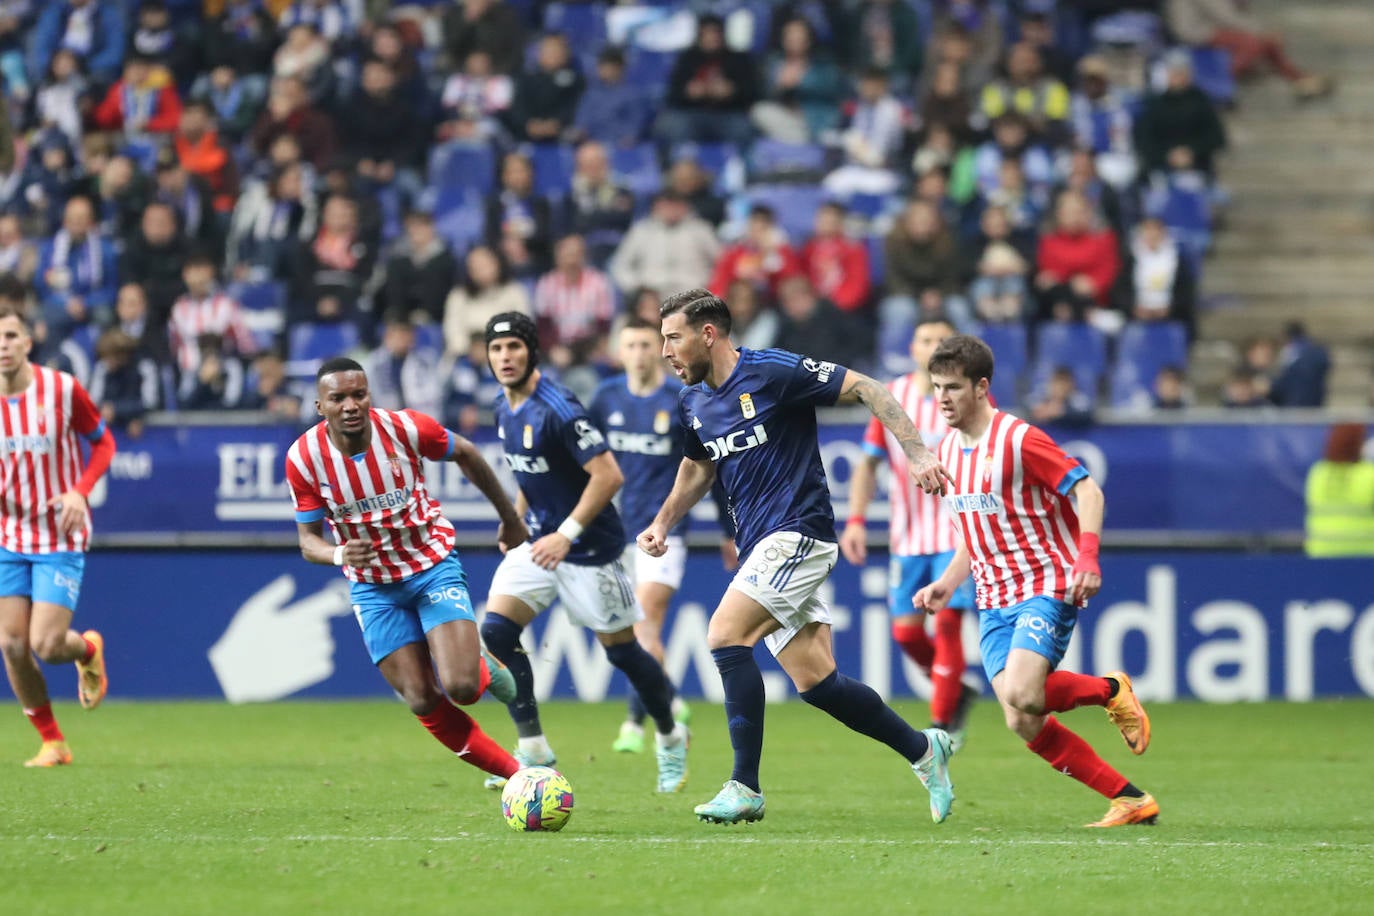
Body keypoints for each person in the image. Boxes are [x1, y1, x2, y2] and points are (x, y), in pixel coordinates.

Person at [640, 288, 956, 825]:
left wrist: (920, 452)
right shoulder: (692, 401)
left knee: (724, 635)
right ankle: (925, 751)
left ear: (708, 334)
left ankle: (745, 786)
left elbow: (870, 388)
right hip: (758, 545)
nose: (664, 350)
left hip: (799, 534)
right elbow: (697, 468)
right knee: (817, 683)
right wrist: (663, 522)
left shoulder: (772, 372)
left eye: (673, 338)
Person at [914, 334, 1157, 828]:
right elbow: (973, 529)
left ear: (982, 388)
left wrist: (1087, 556)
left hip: (1044, 582)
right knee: (1022, 718)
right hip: (991, 596)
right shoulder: (947, 452)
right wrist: (946, 581)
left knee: (1025, 693)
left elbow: (1089, 491)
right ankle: (1130, 800)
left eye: (954, 387)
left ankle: (1110, 690)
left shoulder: (1018, 439)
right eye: (937, 386)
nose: (943, 398)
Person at [284, 357, 527, 785]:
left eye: (358, 394)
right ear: (320, 406)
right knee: (419, 698)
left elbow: (467, 452)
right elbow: (308, 542)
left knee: (463, 688)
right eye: (337, 398)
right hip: (373, 588)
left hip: (430, 566)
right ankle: (519, 775)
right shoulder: (303, 459)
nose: (350, 405)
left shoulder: (405, 428)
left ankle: (480, 663)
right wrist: (339, 555)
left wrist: (508, 517)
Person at [478, 313, 690, 794]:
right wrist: (515, 520)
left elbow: (609, 476)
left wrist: (568, 534)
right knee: (495, 632)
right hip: (539, 543)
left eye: (514, 347)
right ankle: (533, 749)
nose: (505, 357)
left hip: (590, 548)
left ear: (531, 351)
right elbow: (529, 472)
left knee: (623, 653)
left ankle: (671, 734)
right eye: (496, 349)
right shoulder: (502, 405)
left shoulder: (559, 407)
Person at [840, 318, 979, 750]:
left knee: (950, 625)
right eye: (925, 339)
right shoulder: (893, 395)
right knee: (905, 633)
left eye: (942, 339)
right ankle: (956, 688)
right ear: (912, 348)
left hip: (956, 532)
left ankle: (942, 726)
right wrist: (856, 520)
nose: (933, 346)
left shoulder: (963, 398)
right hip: (908, 536)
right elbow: (868, 463)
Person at [0, 304, 115, 767]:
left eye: (10, 336)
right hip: (9, 534)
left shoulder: (62, 390)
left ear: (28, 343)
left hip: (58, 533)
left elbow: (103, 442)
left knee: (47, 646)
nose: (2, 346)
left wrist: (79, 492)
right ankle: (53, 741)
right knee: (10, 643)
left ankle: (87, 650)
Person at [587, 318, 702, 753]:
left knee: (644, 629)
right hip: (616, 534)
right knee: (626, 631)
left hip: (665, 533)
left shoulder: (679, 400)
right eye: (629, 345)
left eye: (644, 344)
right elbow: (586, 458)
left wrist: (730, 532)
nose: (637, 352)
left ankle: (636, 725)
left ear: (658, 349)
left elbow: (705, 468)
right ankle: (669, 698)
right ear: (619, 352)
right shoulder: (605, 397)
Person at [1305, 424, 1374, 557]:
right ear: (1359, 446)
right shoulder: (1369, 474)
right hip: (1365, 553)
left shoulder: (1318, 472)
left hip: (1321, 551)